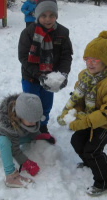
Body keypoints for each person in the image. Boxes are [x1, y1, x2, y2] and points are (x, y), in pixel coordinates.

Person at [57, 31, 107, 196]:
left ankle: (105, 182)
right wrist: (72, 112)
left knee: (93, 150)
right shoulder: (84, 76)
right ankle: (90, 163)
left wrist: (83, 122)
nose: (90, 63)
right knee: (77, 141)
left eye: (95, 60)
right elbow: (78, 99)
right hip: (90, 117)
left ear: (105, 60)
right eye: (87, 59)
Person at [18, 0, 73, 135]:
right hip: (31, 77)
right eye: (43, 15)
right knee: (30, 105)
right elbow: (24, 57)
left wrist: (63, 74)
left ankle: (42, 127)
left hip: (50, 77)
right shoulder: (28, 33)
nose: (48, 19)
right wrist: (38, 75)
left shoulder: (63, 32)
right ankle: (29, 128)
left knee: (46, 105)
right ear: (37, 15)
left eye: (51, 15)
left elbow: (66, 56)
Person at [0, 93, 56, 188]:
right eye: (30, 121)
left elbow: (31, 129)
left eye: (36, 120)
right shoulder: (8, 125)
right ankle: (11, 177)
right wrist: (26, 163)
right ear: (20, 116)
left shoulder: (25, 113)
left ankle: (3, 151)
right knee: (5, 142)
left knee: (26, 137)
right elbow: (15, 149)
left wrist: (39, 136)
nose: (34, 123)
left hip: (11, 137)